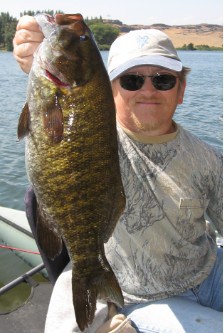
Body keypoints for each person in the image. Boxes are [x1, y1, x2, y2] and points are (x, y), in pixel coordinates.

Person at [13, 15, 223, 333]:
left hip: (209, 273)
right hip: (140, 297)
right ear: (109, 90)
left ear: (181, 89)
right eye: (131, 80)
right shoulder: (98, 140)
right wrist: (38, 59)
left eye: (163, 80)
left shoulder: (208, 157)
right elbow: (58, 119)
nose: (148, 90)